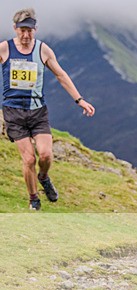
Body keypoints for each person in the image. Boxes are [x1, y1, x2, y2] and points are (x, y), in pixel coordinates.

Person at [0, 8, 95, 210]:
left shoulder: (43, 50)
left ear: (36, 29)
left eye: (30, 30)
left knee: (45, 155)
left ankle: (43, 176)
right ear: (15, 28)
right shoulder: (4, 49)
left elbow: (61, 75)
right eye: (22, 30)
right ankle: (34, 199)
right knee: (28, 159)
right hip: (13, 112)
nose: (26, 35)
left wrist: (80, 100)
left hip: (37, 111)